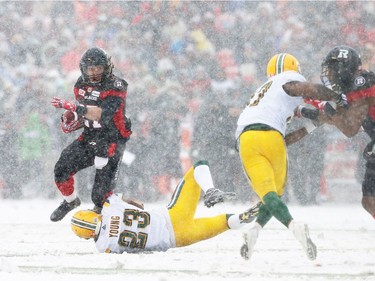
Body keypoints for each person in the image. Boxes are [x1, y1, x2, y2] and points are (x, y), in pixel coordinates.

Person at [236, 53, 345, 261]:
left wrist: (316, 120)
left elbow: (293, 126)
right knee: (275, 194)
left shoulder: (264, 92)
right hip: (273, 138)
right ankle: (280, 228)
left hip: (248, 139)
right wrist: (336, 96)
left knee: (269, 195)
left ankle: (258, 231)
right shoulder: (286, 80)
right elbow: (306, 90)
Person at [70, 160, 260, 253]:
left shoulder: (104, 247)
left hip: (177, 239)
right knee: (199, 166)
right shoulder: (109, 206)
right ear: (91, 214)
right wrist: (128, 200)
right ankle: (209, 190)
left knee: (223, 223)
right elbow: (121, 199)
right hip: (172, 216)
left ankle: (238, 220)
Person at [49, 47, 132, 222]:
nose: (93, 73)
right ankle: (70, 201)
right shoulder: (80, 84)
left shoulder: (116, 85)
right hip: (90, 136)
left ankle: (122, 215)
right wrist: (71, 119)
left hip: (111, 139)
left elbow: (102, 114)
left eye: (98, 69)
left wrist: (74, 108)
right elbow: (85, 115)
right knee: (61, 170)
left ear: (107, 68)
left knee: (100, 197)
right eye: (90, 69)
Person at [298, 45, 375, 219]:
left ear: (344, 69)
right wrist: (303, 110)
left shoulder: (362, 83)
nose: (330, 75)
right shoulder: (354, 89)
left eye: (333, 70)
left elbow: (341, 116)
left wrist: (308, 105)